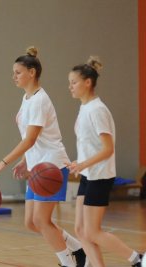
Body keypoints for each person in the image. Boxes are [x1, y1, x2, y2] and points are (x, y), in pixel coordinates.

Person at [0, 47, 86, 267]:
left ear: (32, 72)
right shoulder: (27, 98)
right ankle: (79, 249)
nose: (13, 76)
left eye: (18, 72)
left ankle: (69, 263)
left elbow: (30, 139)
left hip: (51, 165)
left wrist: (4, 161)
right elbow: (31, 136)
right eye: (13, 72)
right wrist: (25, 161)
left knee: (41, 221)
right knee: (32, 223)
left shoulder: (39, 100)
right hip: (37, 165)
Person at [66, 56, 143, 267]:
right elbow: (91, 145)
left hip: (99, 176)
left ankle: (139, 259)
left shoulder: (98, 110)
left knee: (92, 231)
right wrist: (79, 162)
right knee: (80, 230)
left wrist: (84, 164)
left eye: (74, 82)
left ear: (87, 82)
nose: (70, 87)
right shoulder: (85, 107)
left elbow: (108, 149)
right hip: (88, 174)